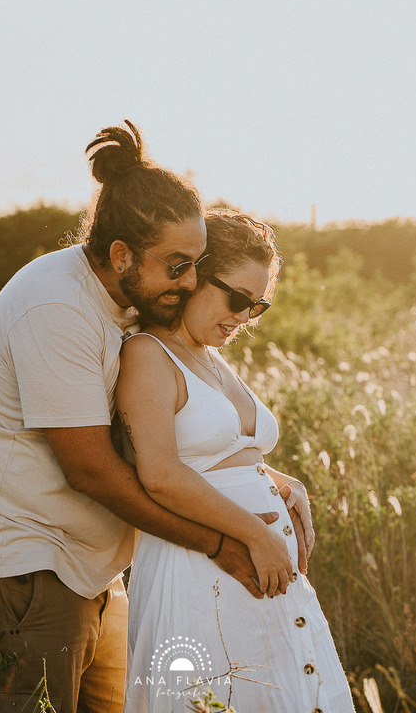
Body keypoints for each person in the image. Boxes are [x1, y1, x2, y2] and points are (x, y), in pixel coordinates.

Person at [0, 122, 282, 713]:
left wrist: (270, 486)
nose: (189, 282)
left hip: (85, 570)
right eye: (177, 265)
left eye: (196, 265)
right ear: (120, 254)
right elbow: (90, 469)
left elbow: (162, 439)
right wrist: (218, 543)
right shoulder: (57, 309)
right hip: (17, 566)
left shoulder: (128, 304)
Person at [117, 210, 354, 712]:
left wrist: (285, 483)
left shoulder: (210, 355)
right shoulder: (148, 354)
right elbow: (159, 473)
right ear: (195, 275)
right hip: (201, 569)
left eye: (258, 306)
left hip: (260, 572)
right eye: (239, 299)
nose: (245, 317)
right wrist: (257, 533)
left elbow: (222, 455)